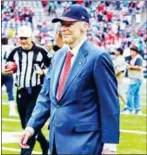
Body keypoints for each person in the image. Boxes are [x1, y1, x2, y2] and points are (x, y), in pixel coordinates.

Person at [19, 5, 120, 155]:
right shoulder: (58, 56)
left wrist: (110, 146)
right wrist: (31, 127)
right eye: (61, 24)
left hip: (85, 143)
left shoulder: (98, 57)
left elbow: (109, 103)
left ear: (85, 26)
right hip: (56, 142)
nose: (63, 28)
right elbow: (46, 96)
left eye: (69, 24)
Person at [3, 26, 51, 155]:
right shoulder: (15, 52)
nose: (22, 41)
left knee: (30, 121)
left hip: (36, 92)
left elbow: (53, 68)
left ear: (31, 38)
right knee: (26, 126)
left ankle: (25, 152)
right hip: (21, 92)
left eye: (25, 38)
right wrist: (7, 69)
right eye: (20, 38)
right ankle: (44, 144)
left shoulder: (42, 51)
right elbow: (7, 66)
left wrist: (43, 71)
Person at [121, 45, 143, 115]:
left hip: (136, 78)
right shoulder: (132, 58)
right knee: (136, 94)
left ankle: (130, 109)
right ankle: (138, 110)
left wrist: (130, 67)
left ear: (136, 52)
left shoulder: (138, 58)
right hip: (135, 78)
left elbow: (139, 67)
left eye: (132, 51)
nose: (131, 52)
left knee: (129, 94)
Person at [1, 36, 18, 117]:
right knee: (10, 92)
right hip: (8, 71)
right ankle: (12, 111)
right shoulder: (11, 48)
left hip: (1, 70)